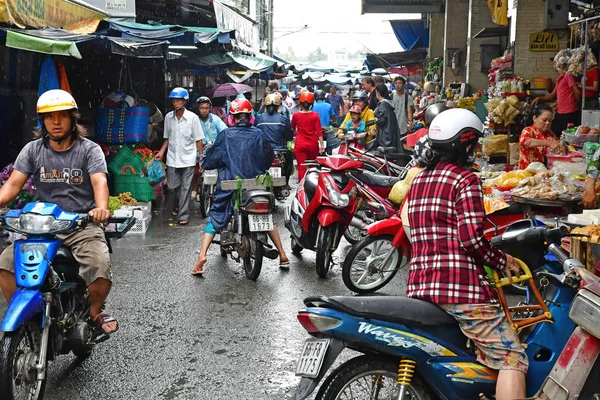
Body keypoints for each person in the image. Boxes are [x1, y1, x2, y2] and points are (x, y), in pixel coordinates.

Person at [406, 108, 527, 400]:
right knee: (512, 357)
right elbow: (471, 239)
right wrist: (503, 261)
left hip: (420, 287)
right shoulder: (465, 180)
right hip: (459, 289)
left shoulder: (420, 180)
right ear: (467, 145)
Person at [0, 89, 118, 334]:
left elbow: (99, 182)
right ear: (42, 121)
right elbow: (12, 185)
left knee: (99, 263)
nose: (56, 122)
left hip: (80, 225)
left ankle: (95, 311)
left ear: (73, 119)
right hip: (42, 227)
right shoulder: (32, 150)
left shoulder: (89, 150)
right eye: (49, 117)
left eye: (62, 116)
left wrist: (101, 209)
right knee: (6, 263)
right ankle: (23, 315)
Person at [192, 98, 289, 274]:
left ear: (232, 117)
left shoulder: (226, 135)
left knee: (216, 216)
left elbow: (212, 159)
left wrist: (205, 162)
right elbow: (268, 158)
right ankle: (283, 254)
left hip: (230, 185)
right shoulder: (259, 134)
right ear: (250, 116)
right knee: (266, 216)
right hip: (257, 186)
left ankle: (201, 257)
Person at [156, 87, 204, 225]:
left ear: (184, 101)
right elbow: (167, 138)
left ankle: (183, 215)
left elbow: (198, 139)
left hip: (188, 158)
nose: (175, 103)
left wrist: (200, 158)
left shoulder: (193, 118)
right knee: (171, 186)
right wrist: (161, 152)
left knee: (186, 188)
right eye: (174, 100)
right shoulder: (168, 118)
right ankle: (177, 205)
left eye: (178, 100)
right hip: (172, 158)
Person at [532, 52, 581, 134]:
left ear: (561, 64)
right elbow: (552, 95)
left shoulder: (568, 76)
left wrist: (574, 105)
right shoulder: (559, 79)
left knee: (567, 136)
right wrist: (540, 98)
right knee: (555, 132)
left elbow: (577, 92)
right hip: (560, 112)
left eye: (555, 63)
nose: (554, 65)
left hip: (569, 113)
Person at [192, 96, 228, 199]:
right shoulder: (195, 120)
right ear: (198, 109)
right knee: (195, 169)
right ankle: (195, 187)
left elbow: (224, 131)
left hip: (214, 149)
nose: (204, 110)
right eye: (202, 108)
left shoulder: (215, 119)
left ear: (209, 108)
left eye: (206, 108)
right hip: (198, 149)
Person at [291, 92, 325, 182]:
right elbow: (319, 132)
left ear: (301, 103)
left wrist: (296, 135)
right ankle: (312, 187)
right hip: (312, 145)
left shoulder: (296, 115)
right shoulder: (315, 115)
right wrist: (322, 145)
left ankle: (302, 189)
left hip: (300, 145)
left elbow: (292, 128)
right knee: (313, 168)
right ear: (311, 103)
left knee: (301, 168)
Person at [518, 104, 564, 170]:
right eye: (544, 120)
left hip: (541, 172)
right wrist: (548, 143)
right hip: (526, 172)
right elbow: (525, 142)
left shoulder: (549, 134)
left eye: (550, 120)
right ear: (534, 118)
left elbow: (557, 145)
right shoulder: (528, 131)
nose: (547, 123)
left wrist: (562, 146)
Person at [373, 83, 401, 150]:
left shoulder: (383, 104)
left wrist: (374, 119)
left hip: (385, 136)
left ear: (378, 93)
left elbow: (381, 120)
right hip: (390, 133)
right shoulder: (388, 103)